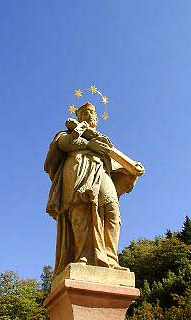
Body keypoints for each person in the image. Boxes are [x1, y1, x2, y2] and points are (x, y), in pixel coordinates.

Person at [44, 102, 139, 277]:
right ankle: (84, 256)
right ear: (79, 116)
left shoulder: (102, 138)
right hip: (78, 167)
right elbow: (64, 144)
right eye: (85, 112)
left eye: (92, 112)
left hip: (100, 171)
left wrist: (131, 169)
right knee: (81, 208)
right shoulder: (69, 131)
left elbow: (114, 159)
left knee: (112, 211)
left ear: (97, 117)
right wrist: (88, 144)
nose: (89, 114)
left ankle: (110, 258)